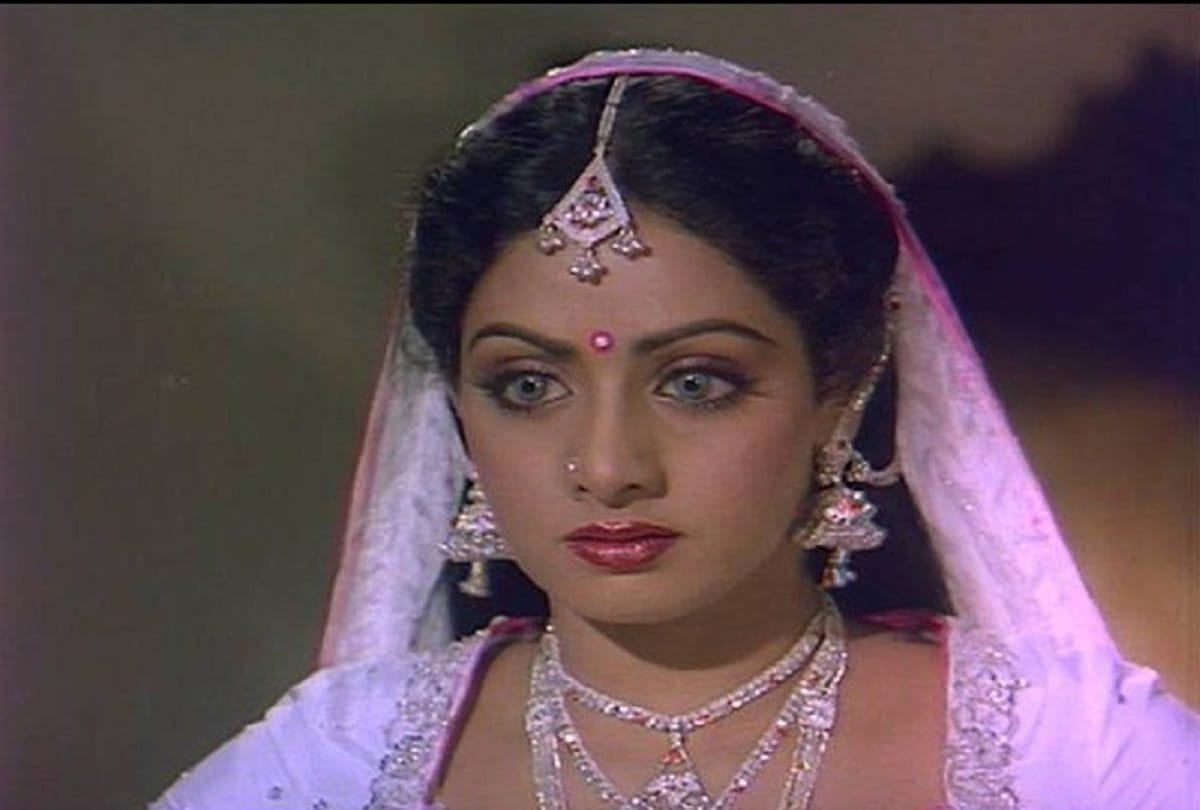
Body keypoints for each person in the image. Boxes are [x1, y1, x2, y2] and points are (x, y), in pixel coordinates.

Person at [150, 48, 1199, 810]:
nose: (607, 467)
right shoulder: (342, 759)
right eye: (527, 385)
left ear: (839, 390)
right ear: (457, 407)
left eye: (696, 382)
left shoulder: (1069, 756)